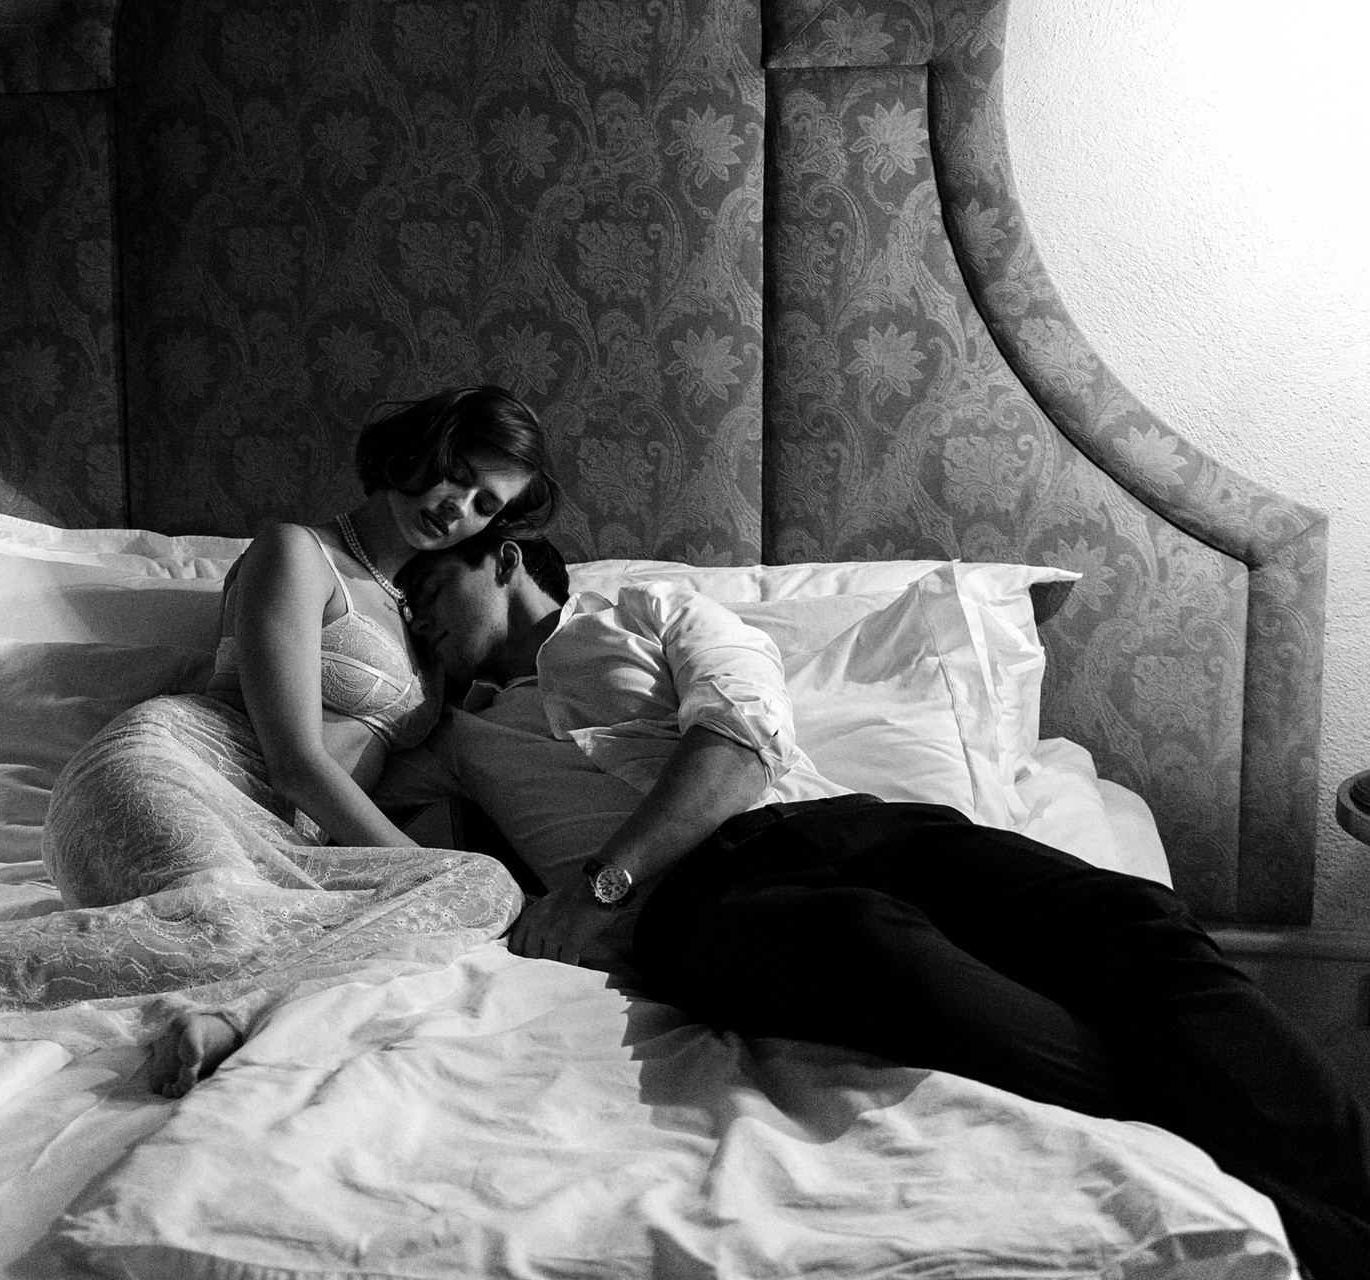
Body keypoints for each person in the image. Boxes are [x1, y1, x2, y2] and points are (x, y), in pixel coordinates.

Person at [379, 528, 1370, 1279]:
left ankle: (1351, 1202)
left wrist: (602, 883)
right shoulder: (456, 737)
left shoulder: (655, 609)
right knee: (880, 953)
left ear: (504, 556)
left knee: (1134, 921)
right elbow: (324, 773)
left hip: (850, 824)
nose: (415, 618)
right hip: (700, 905)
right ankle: (1245, 1178)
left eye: (425, 590)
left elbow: (739, 742)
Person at [0, 386, 556, 1097]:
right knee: (231, 916)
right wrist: (411, 867)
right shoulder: (300, 554)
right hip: (167, 773)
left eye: (486, 505)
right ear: (421, 450)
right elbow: (295, 762)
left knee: (481, 886)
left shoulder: (425, 622)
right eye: (456, 476)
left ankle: (224, 1009)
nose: (457, 508)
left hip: (280, 845)